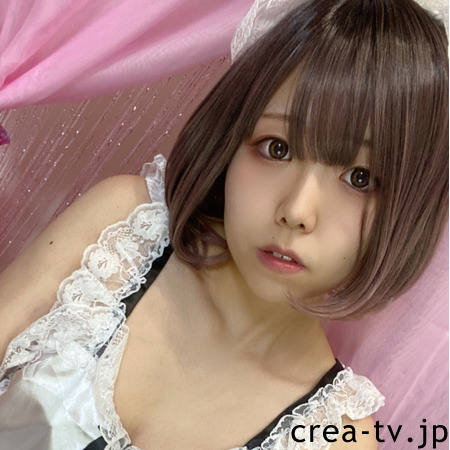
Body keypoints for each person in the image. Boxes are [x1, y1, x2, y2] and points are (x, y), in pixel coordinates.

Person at [0, 0, 447, 448]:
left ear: (409, 209)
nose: (296, 211)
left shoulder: (336, 437)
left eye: (360, 178)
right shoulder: (122, 234)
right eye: (276, 148)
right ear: (232, 137)